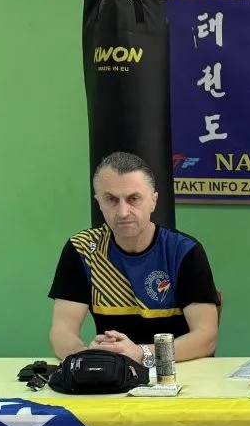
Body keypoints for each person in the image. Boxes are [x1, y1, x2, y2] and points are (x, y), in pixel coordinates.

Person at [48, 152, 219, 369]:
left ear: (153, 201)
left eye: (133, 199)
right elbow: (62, 332)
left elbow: (206, 337)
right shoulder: (81, 249)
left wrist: (141, 353)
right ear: (98, 202)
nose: (123, 212)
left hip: (177, 371)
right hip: (113, 374)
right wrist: (88, 357)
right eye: (111, 200)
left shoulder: (183, 250)